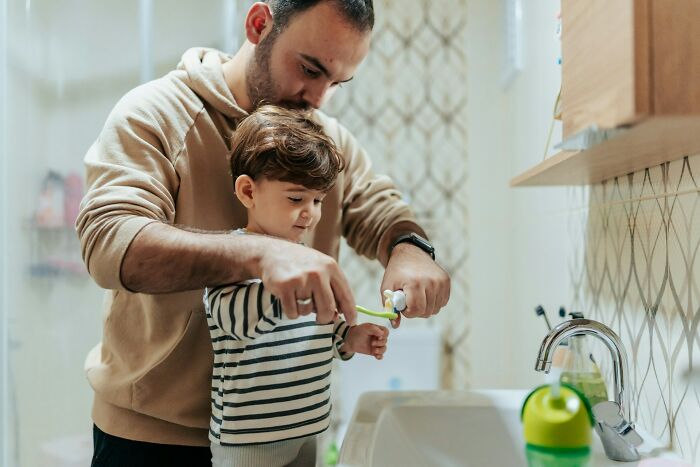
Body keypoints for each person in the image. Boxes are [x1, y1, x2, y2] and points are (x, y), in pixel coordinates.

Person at [78, 1, 450, 465]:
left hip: (288, 435)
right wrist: (258, 254)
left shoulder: (324, 136)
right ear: (259, 25)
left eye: (337, 83)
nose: (318, 99)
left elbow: (378, 205)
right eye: (310, 69)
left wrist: (409, 247)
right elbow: (110, 240)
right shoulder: (156, 113)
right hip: (154, 441)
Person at [205, 104, 389, 466]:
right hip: (250, 438)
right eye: (296, 198)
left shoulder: (309, 260)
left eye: (318, 200)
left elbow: (321, 328)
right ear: (248, 191)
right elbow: (231, 320)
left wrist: (349, 338)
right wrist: (288, 289)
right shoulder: (231, 255)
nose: (311, 212)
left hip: (310, 426)